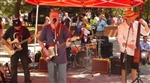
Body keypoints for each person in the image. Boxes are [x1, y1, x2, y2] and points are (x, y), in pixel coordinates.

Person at [38, 10, 71, 83]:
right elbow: (40, 40)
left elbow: (68, 38)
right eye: (52, 16)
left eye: (56, 16)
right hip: (51, 57)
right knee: (52, 79)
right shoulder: (46, 28)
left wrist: (68, 41)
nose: (54, 17)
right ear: (49, 18)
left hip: (62, 57)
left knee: (62, 79)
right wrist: (45, 50)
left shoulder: (63, 27)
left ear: (58, 18)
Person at [117, 10, 149, 83]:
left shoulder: (137, 24)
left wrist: (145, 24)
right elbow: (120, 38)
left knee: (134, 68)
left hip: (135, 51)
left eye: (134, 18)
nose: (134, 19)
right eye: (132, 18)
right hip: (126, 51)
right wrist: (128, 45)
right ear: (127, 18)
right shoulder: (121, 26)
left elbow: (146, 33)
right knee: (124, 69)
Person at [2, 18, 32, 83]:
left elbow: (29, 39)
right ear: (13, 25)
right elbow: (3, 39)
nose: (18, 27)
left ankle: (27, 81)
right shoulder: (10, 30)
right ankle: (14, 81)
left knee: (26, 67)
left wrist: (29, 40)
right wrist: (9, 46)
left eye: (19, 26)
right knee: (13, 68)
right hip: (14, 52)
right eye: (16, 26)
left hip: (23, 51)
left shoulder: (25, 29)